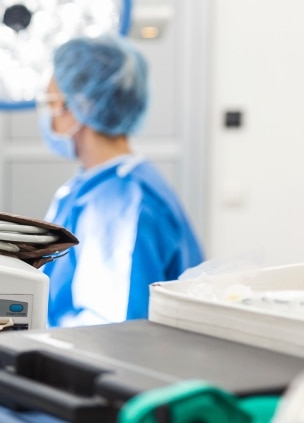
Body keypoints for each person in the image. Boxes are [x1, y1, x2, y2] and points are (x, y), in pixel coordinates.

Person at [38, 35, 203, 328]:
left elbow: (110, 334)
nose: (48, 116)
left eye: (52, 102)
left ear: (82, 105)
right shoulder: (95, 185)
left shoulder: (120, 201)